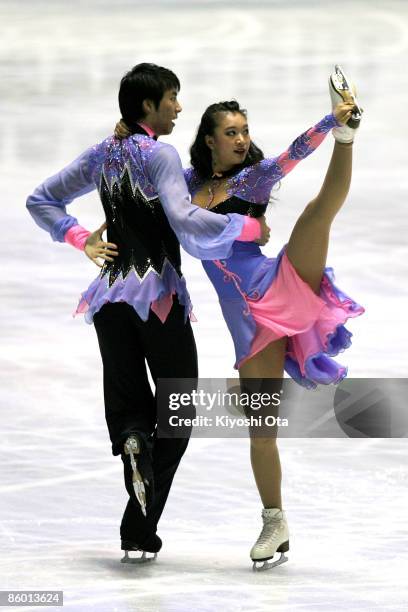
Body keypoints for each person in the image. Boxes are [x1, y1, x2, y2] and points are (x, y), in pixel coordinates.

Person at [26, 63, 270, 563]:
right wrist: (246, 230)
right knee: (177, 412)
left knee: (130, 404)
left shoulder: (102, 153)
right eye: (172, 99)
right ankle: (137, 526)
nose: (179, 107)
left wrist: (79, 238)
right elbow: (184, 219)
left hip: (110, 299)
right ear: (148, 107)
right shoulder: (160, 154)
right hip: (158, 299)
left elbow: (42, 199)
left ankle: (135, 456)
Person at [183, 65, 365, 569]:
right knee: (261, 431)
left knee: (316, 214)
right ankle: (274, 521)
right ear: (209, 140)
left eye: (245, 130)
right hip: (248, 326)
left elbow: (292, 153)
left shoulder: (255, 178)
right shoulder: (184, 185)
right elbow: (148, 188)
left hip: (278, 283)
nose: (242, 139)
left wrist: (332, 126)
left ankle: (350, 140)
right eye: (231, 132)